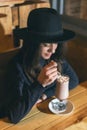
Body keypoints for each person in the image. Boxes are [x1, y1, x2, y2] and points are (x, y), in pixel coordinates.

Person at [0, 7, 79, 124]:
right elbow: (13, 116)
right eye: (46, 44)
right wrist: (40, 84)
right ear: (33, 44)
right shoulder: (16, 67)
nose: (52, 50)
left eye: (56, 43)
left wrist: (44, 95)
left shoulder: (54, 57)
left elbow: (73, 80)